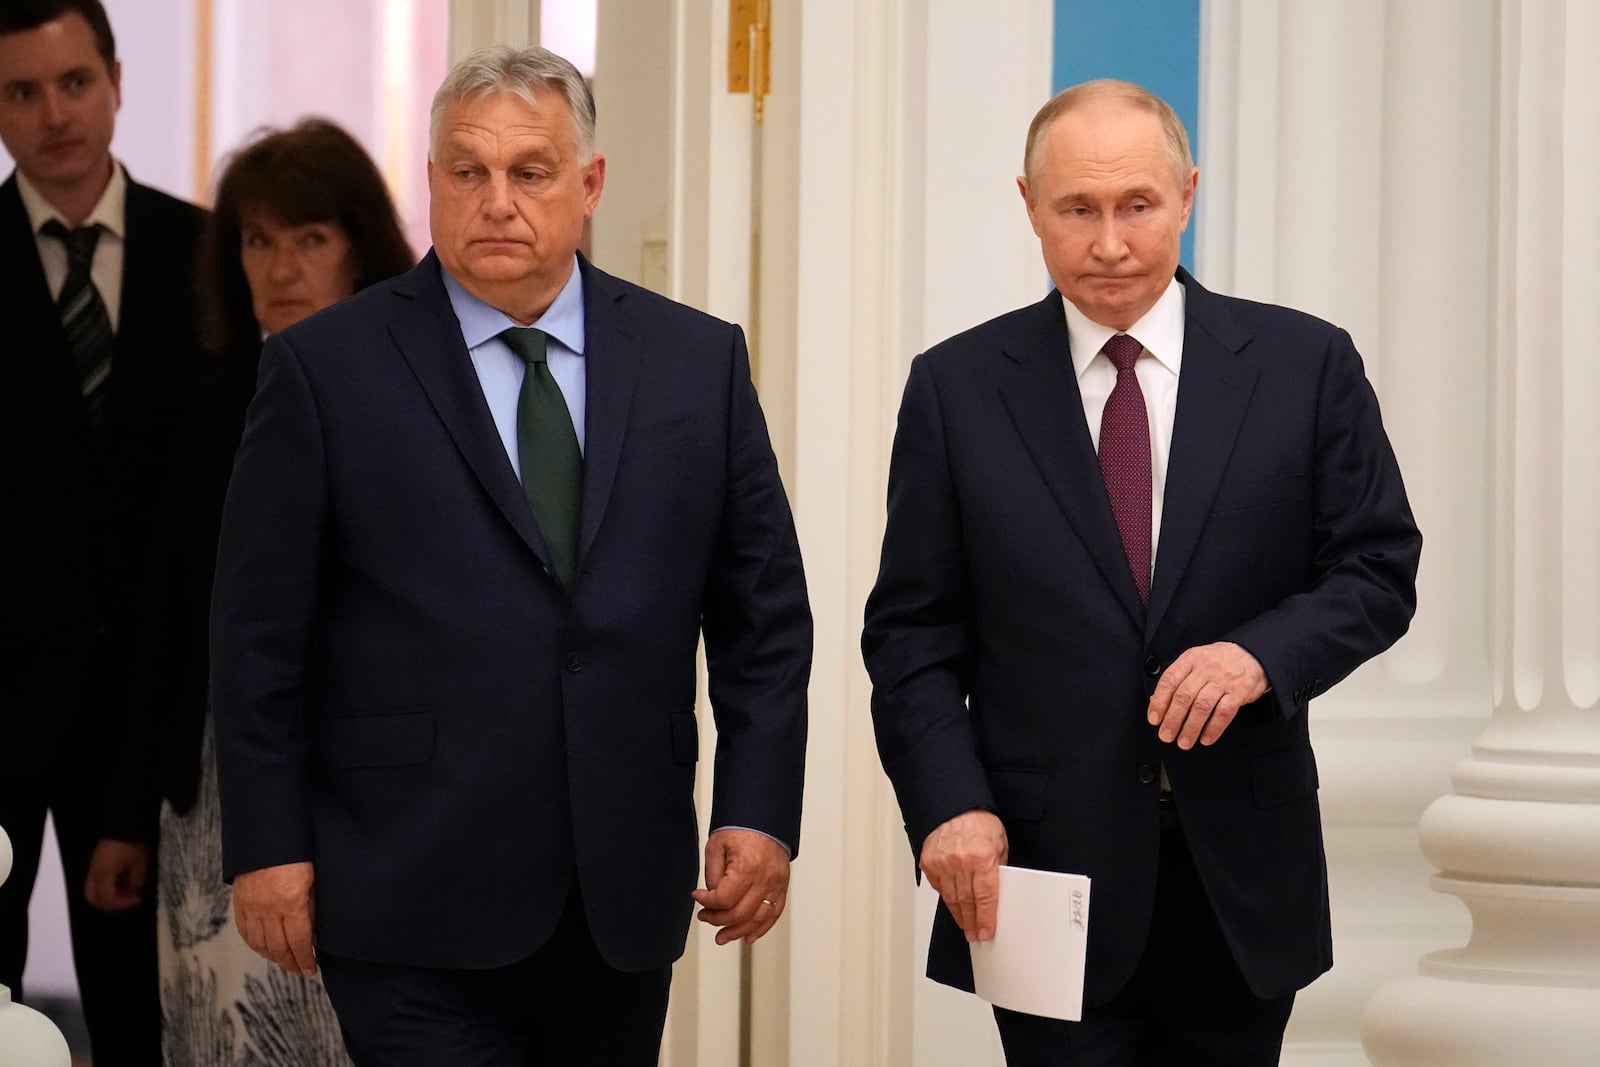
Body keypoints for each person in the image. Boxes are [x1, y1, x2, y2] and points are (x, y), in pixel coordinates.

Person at [209, 45, 811, 1066]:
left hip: (616, 891)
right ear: (432, 179)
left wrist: (760, 810)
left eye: (528, 171)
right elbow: (258, 632)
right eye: (465, 170)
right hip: (402, 885)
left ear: (588, 185)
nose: (495, 201)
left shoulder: (694, 363)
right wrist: (268, 842)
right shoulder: (326, 370)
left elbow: (763, 617)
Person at [862, 80, 1422, 1065]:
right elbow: (911, 629)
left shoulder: (1304, 365)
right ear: (1029, 205)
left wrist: (1259, 655)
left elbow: (1377, 567)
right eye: (1077, 208)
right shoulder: (955, 390)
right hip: (1038, 873)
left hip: (1240, 875)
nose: (1109, 241)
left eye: (1137, 205)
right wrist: (947, 801)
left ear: (1186, 196)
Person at [130, 118, 413, 1065]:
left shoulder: (416, 396)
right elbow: (168, 617)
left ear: (361, 252)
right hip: (215, 788)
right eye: (258, 240)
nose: (281, 266)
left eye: (311, 239)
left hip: (375, 783)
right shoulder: (213, 407)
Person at [0, 3, 206, 1063]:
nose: (54, 116)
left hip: (141, 706)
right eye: (21, 92)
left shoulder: (208, 252)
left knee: (139, 1010)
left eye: (73, 82)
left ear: (116, 81)